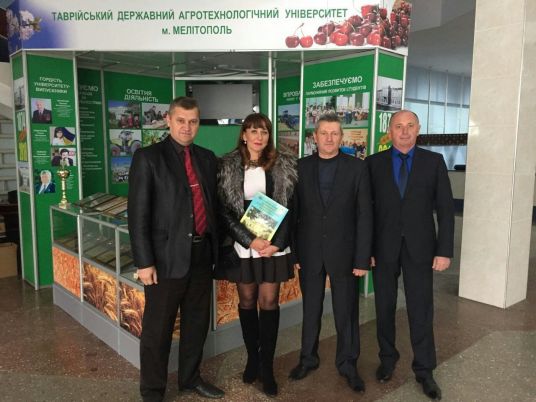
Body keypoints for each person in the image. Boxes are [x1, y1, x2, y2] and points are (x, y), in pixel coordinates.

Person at [128, 96, 224, 402]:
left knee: (197, 324)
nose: (187, 127)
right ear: (168, 120)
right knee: (158, 331)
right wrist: (144, 262)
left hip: (201, 256)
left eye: (193, 121)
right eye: (181, 120)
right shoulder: (148, 158)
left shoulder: (207, 158)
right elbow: (138, 215)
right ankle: (152, 391)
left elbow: (214, 206)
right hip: (164, 260)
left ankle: (190, 378)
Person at [366, 110, 454, 400]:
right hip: (382, 249)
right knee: (384, 307)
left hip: (421, 249)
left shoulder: (434, 162)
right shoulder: (373, 164)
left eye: (410, 126)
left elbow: (445, 210)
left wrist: (444, 251)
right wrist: (366, 250)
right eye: (398, 126)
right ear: (389, 131)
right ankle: (387, 360)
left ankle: (425, 370)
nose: (404, 131)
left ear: (418, 129)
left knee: (421, 309)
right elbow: (366, 211)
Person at [289, 113, 373, 393]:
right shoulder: (300, 167)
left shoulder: (357, 168)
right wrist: (295, 254)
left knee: (346, 312)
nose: (329, 138)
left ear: (341, 137)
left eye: (334, 133)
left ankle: (348, 364)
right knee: (310, 310)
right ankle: (308, 359)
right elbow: (294, 214)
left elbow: (365, 215)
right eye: (324, 133)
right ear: (315, 137)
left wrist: (362, 258)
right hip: (309, 253)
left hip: (345, 254)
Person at [216, 113, 297, 397]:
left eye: (263, 131)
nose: (259, 137)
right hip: (244, 245)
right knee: (247, 300)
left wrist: (277, 243)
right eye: (253, 131)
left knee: (269, 301)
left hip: (273, 246)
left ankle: (267, 366)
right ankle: (253, 357)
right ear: (244, 135)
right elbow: (224, 211)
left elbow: (291, 208)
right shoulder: (227, 165)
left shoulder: (284, 164)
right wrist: (250, 240)